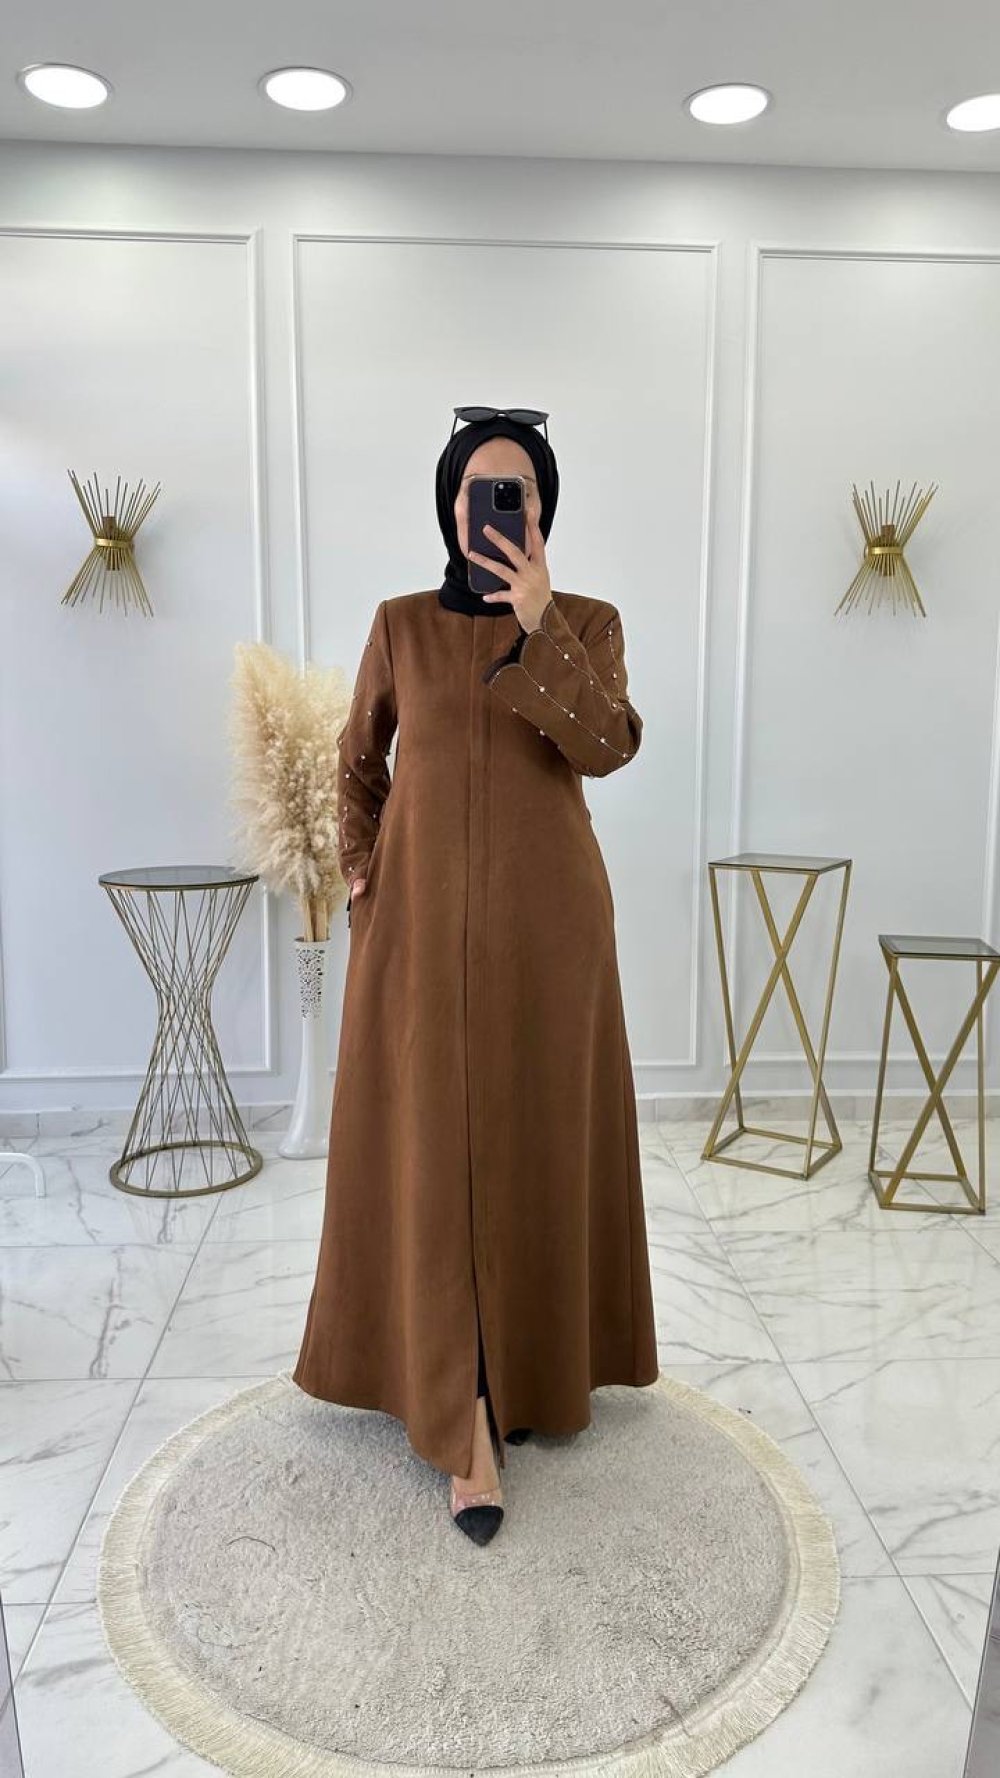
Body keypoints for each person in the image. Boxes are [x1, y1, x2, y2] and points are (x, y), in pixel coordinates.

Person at [291, 407, 660, 1546]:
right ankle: (467, 1423)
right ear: (449, 503)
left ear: (543, 510)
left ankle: (531, 1372)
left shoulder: (586, 621)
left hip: (552, 934)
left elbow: (607, 744)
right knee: (432, 1151)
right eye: (479, 490)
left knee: (534, 1141)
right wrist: (366, 875)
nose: (498, 511)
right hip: (417, 934)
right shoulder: (400, 625)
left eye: (520, 493)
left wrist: (542, 624)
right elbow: (357, 760)